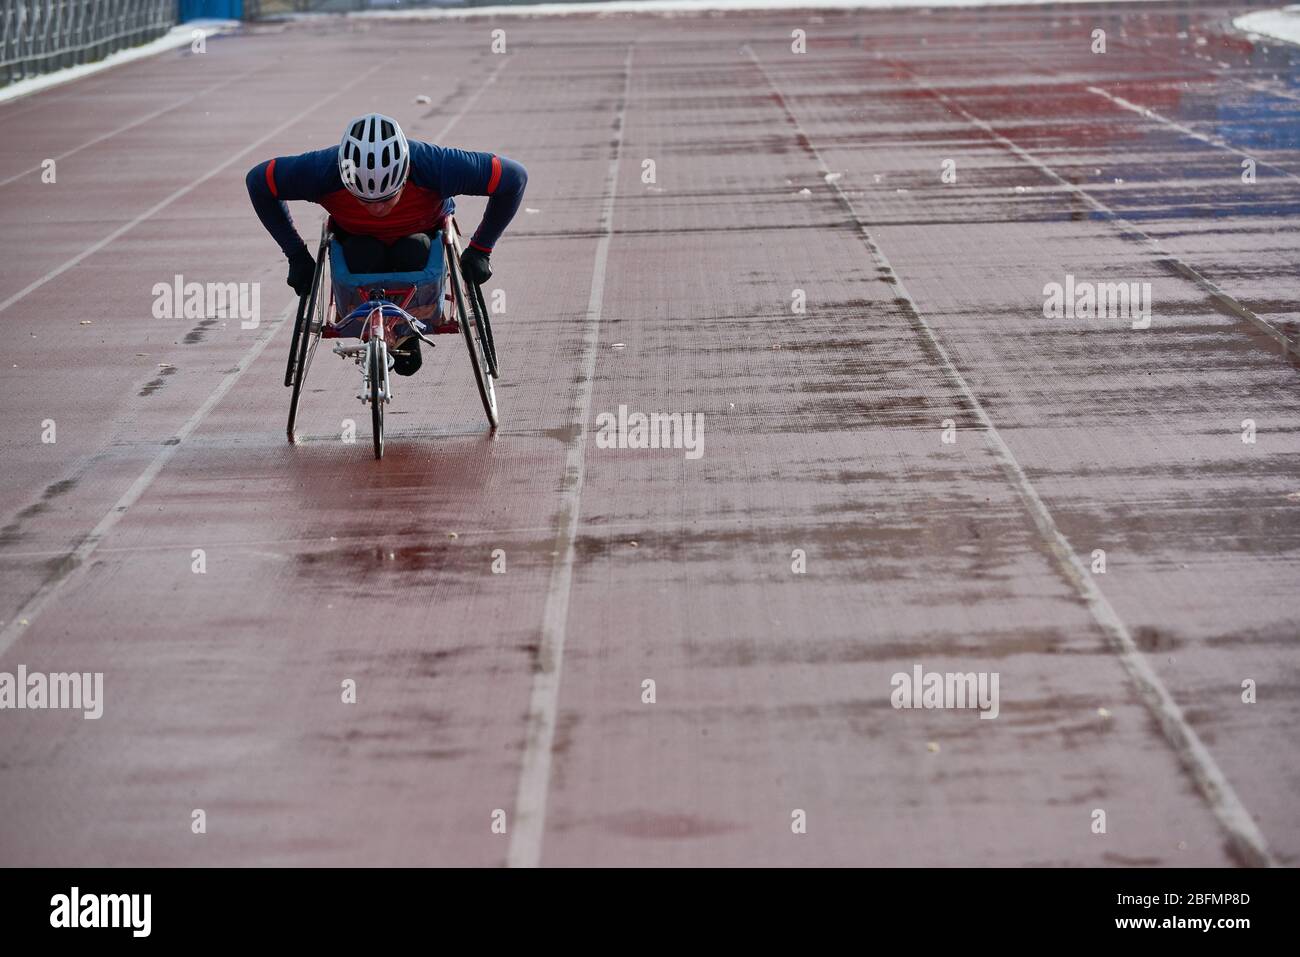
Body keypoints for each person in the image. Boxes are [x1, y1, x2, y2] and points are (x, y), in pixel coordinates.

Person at [246, 112, 526, 375]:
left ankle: (406, 331)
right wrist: (296, 255)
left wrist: (481, 249)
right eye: (365, 200)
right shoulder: (321, 170)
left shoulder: (436, 165)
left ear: (404, 177)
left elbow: (514, 177)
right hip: (357, 243)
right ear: (345, 179)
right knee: (361, 252)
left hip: (420, 241)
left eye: (387, 198)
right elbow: (258, 182)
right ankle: (379, 326)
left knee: (413, 249)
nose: (378, 209)